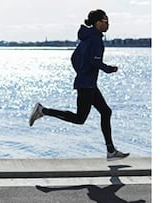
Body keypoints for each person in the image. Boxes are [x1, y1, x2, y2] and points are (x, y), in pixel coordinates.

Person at [29, 9, 129, 161]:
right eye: (105, 21)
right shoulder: (95, 39)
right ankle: (43, 110)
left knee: (106, 112)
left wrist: (81, 72)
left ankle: (110, 151)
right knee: (80, 119)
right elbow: (94, 61)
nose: (108, 24)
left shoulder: (86, 38)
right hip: (87, 85)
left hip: (88, 83)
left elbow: (74, 58)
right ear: (97, 23)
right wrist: (109, 69)